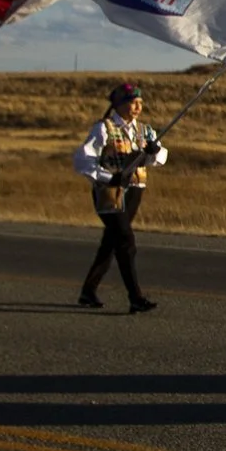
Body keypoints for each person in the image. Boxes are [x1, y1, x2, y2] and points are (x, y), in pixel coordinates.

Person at [74, 80, 165, 311]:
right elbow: (83, 160)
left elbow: (161, 157)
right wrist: (108, 178)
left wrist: (154, 152)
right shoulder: (103, 128)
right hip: (109, 193)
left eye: (140, 103)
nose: (137, 107)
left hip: (135, 192)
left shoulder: (145, 130)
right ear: (120, 104)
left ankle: (88, 291)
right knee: (125, 241)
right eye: (133, 102)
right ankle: (135, 297)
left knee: (111, 242)